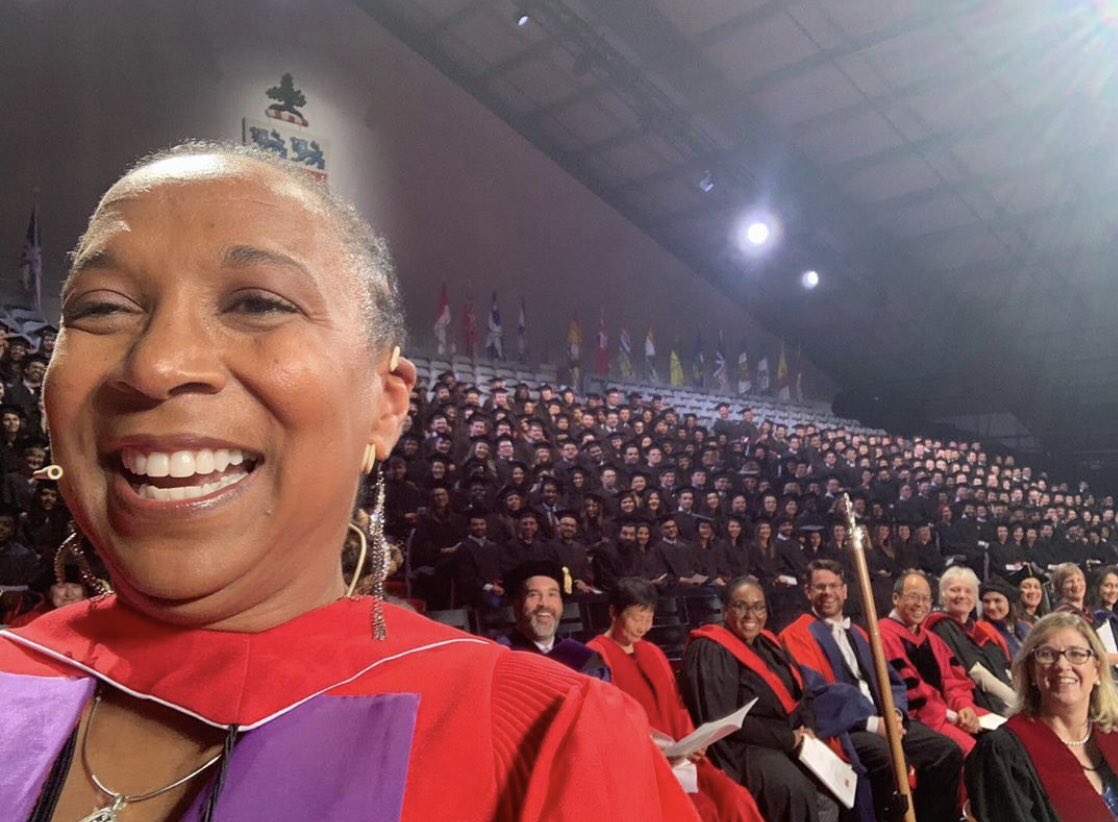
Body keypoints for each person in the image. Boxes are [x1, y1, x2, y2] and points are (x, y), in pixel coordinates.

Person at [0, 143, 695, 820]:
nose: (156, 364)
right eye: (101, 308)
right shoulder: (14, 672)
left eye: (258, 303)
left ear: (384, 407)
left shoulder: (542, 743)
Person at [781, 560, 964, 821]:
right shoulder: (797, 634)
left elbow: (892, 680)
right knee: (889, 761)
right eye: (820, 587)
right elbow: (816, 694)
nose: (828, 592)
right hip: (846, 728)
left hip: (885, 719)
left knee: (946, 752)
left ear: (845, 591)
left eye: (834, 586)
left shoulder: (860, 633)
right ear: (808, 592)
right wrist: (872, 723)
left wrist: (896, 713)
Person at [587, 578, 764, 822]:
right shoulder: (595, 657)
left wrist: (693, 742)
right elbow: (607, 725)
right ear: (613, 613)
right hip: (641, 765)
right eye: (636, 618)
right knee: (702, 811)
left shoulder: (652, 652)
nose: (643, 627)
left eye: (649, 618)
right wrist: (656, 751)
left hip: (681, 759)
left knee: (735, 798)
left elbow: (677, 706)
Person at [680, 576, 841, 822]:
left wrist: (806, 726)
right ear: (725, 609)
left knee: (831, 792)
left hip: (786, 738)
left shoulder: (768, 642)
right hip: (741, 746)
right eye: (741, 606)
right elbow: (723, 719)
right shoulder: (711, 649)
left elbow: (801, 691)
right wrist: (787, 738)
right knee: (793, 790)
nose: (750, 615)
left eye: (758, 607)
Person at [966, 612, 1118, 821]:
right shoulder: (1004, 752)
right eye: (1047, 654)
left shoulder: (1112, 734)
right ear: (1031, 670)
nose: (1062, 665)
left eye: (1076, 654)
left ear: (1097, 671)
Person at [878, 570, 984, 754]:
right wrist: (951, 716)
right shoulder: (883, 635)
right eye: (913, 597)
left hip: (949, 715)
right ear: (896, 598)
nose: (920, 604)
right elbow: (910, 693)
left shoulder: (932, 639)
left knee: (1002, 738)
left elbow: (955, 681)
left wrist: (964, 706)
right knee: (975, 753)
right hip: (920, 720)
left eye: (925, 599)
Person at [925, 566, 1015, 714]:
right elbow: (975, 672)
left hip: (1000, 697)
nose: (962, 595)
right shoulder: (942, 626)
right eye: (955, 590)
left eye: (968, 591)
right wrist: (1016, 700)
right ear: (943, 595)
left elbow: (1002, 666)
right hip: (974, 703)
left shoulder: (974, 628)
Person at [501, 560, 609, 679]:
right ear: (516, 605)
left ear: (561, 605)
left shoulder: (584, 659)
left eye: (552, 594)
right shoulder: (499, 655)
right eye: (533, 595)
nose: (544, 603)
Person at [979, 575, 1031, 658]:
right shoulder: (981, 631)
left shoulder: (1025, 626)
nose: (991, 607)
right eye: (986, 601)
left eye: (997, 601)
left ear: (1009, 603)